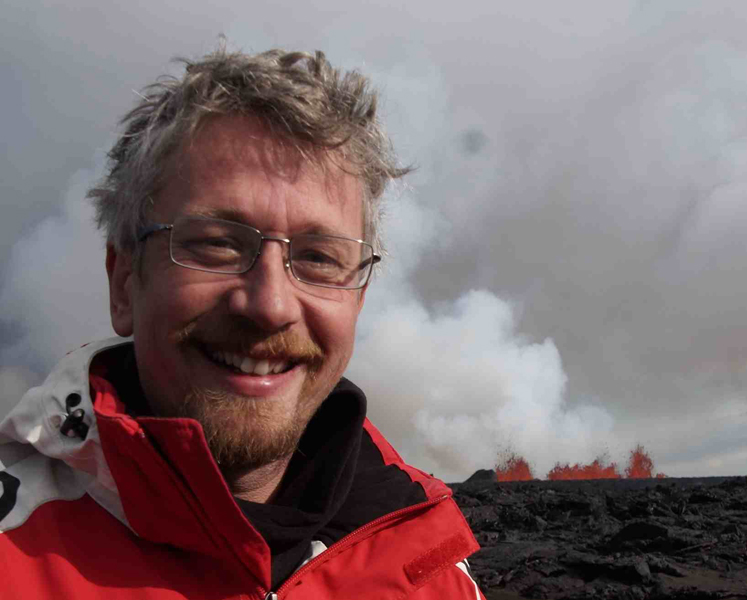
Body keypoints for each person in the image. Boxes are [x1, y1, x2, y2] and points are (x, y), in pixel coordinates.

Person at [0, 46, 485, 599]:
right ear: (123, 281)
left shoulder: (434, 571)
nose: (270, 305)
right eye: (216, 244)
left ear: (358, 298)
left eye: (319, 257)